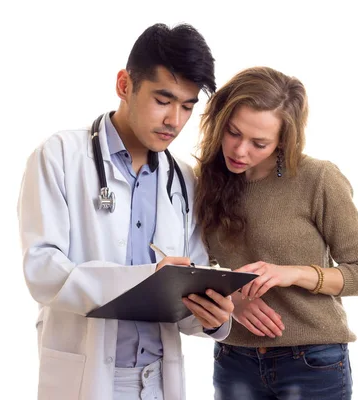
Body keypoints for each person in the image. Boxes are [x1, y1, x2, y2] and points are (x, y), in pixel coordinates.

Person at [17, 23, 234, 400]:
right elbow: (43, 270)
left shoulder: (183, 180)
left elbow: (192, 282)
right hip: (86, 377)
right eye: (163, 100)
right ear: (124, 85)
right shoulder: (59, 157)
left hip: (158, 381)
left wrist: (213, 320)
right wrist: (144, 279)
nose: (175, 121)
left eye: (187, 106)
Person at [194, 66, 358, 400]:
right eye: (233, 132)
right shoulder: (203, 181)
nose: (239, 151)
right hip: (233, 358)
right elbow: (193, 265)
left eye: (259, 143)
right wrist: (233, 299)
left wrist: (291, 274)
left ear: (283, 141)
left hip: (312, 362)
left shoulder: (317, 179)